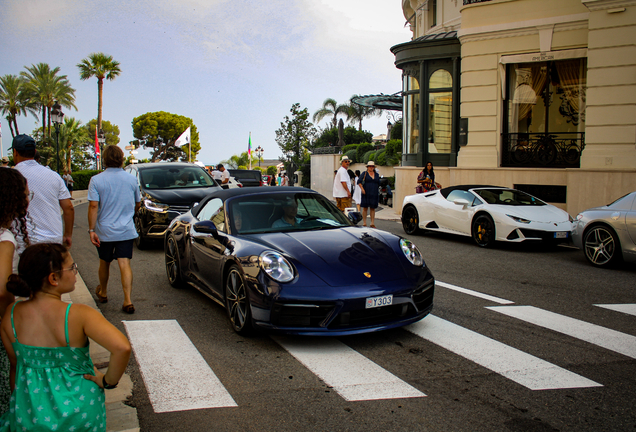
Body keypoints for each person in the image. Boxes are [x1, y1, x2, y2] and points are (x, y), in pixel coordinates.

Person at [0, 243, 131, 431]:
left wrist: (19, 405)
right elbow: (122, 347)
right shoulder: (78, 314)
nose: (75, 272)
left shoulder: (11, 315)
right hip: (80, 411)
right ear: (54, 278)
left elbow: (16, 367)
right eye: (72, 267)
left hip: (32, 411)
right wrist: (107, 381)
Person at [87, 145, 141, 314]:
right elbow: (138, 203)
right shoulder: (131, 179)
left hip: (105, 230)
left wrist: (91, 229)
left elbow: (93, 205)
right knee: (124, 263)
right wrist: (129, 214)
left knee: (104, 262)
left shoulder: (96, 180)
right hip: (125, 229)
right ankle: (127, 300)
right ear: (121, 159)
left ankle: (103, 292)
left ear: (105, 159)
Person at [0, 169, 30, 416]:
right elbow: (2, 288)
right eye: (26, 192)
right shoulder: (5, 238)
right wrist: (10, 319)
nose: (28, 196)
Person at [11, 134, 74, 249]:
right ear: (34, 151)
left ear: (15, 152)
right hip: (53, 240)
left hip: (24, 242)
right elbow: (68, 207)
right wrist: (68, 235)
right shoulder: (53, 175)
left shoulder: (11, 176)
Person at [358, 161, 380, 227]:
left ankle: (372, 223)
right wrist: (362, 189)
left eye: (372, 166)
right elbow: (359, 182)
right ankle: (364, 222)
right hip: (366, 192)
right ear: (367, 167)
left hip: (374, 192)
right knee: (365, 208)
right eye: (370, 166)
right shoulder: (364, 173)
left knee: (372, 208)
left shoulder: (376, 175)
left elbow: (378, 183)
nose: (371, 168)